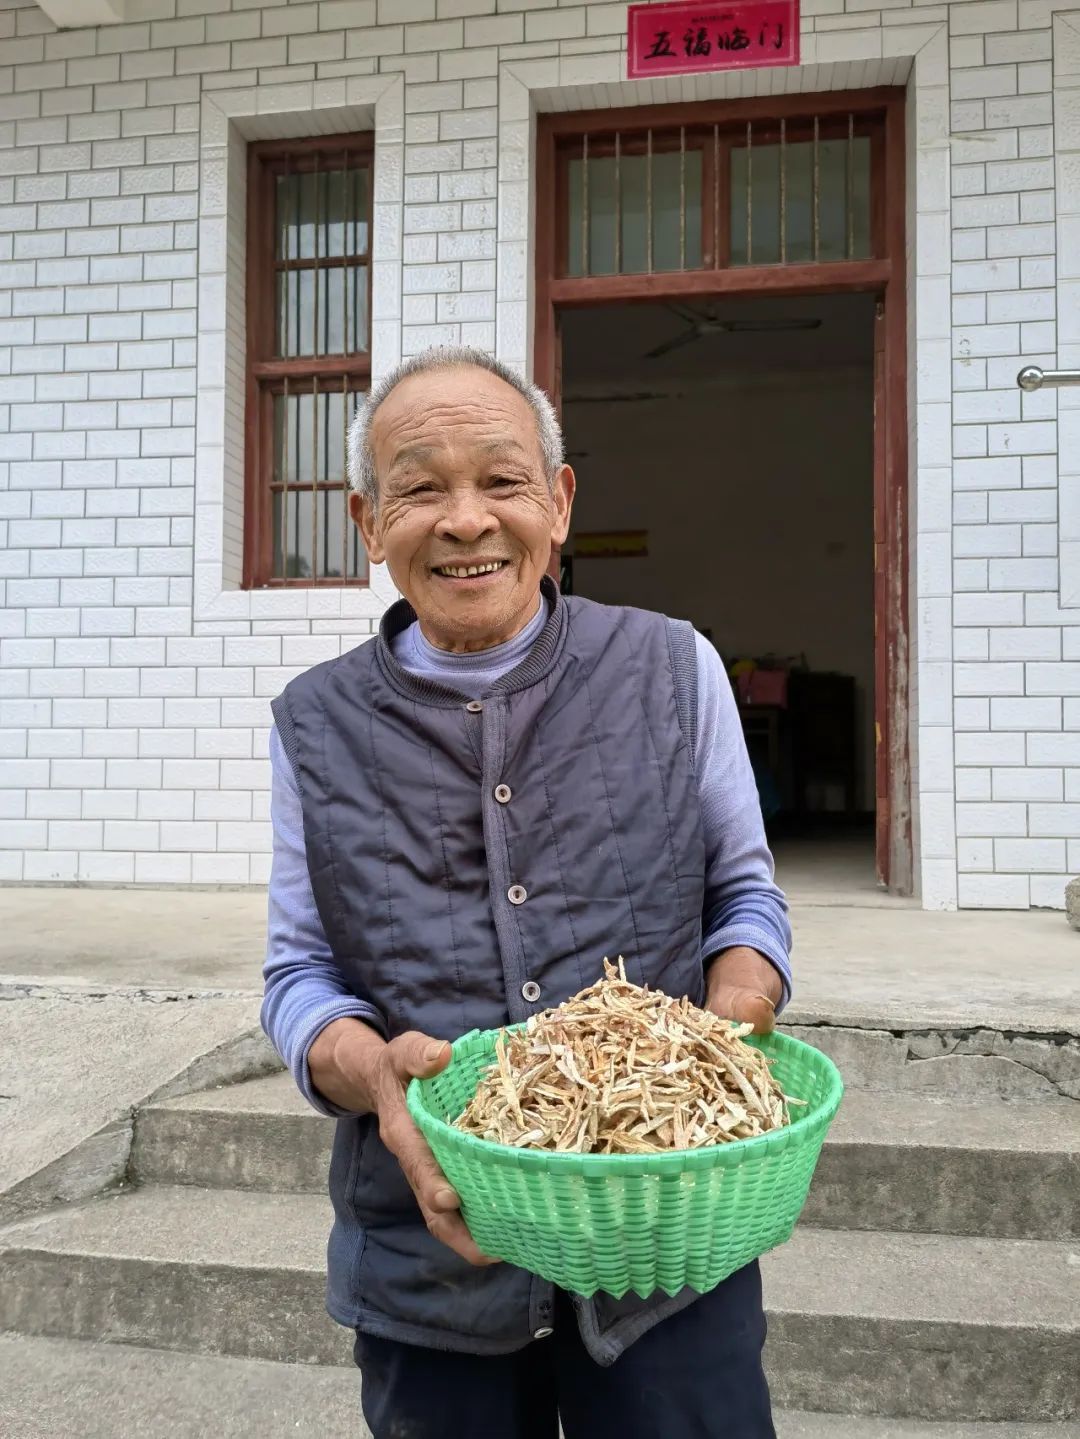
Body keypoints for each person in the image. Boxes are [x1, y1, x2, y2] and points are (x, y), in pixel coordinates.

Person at [262, 346, 792, 1439]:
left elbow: (744, 894)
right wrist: (375, 1073)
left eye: (502, 481)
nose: (467, 520)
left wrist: (733, 1010)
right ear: (369, 522)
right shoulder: (315, 723)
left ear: (558, 503)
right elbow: (299, 976)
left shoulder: (673, 666)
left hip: (666, 1244)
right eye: (420, 487)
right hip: (429, 1266)